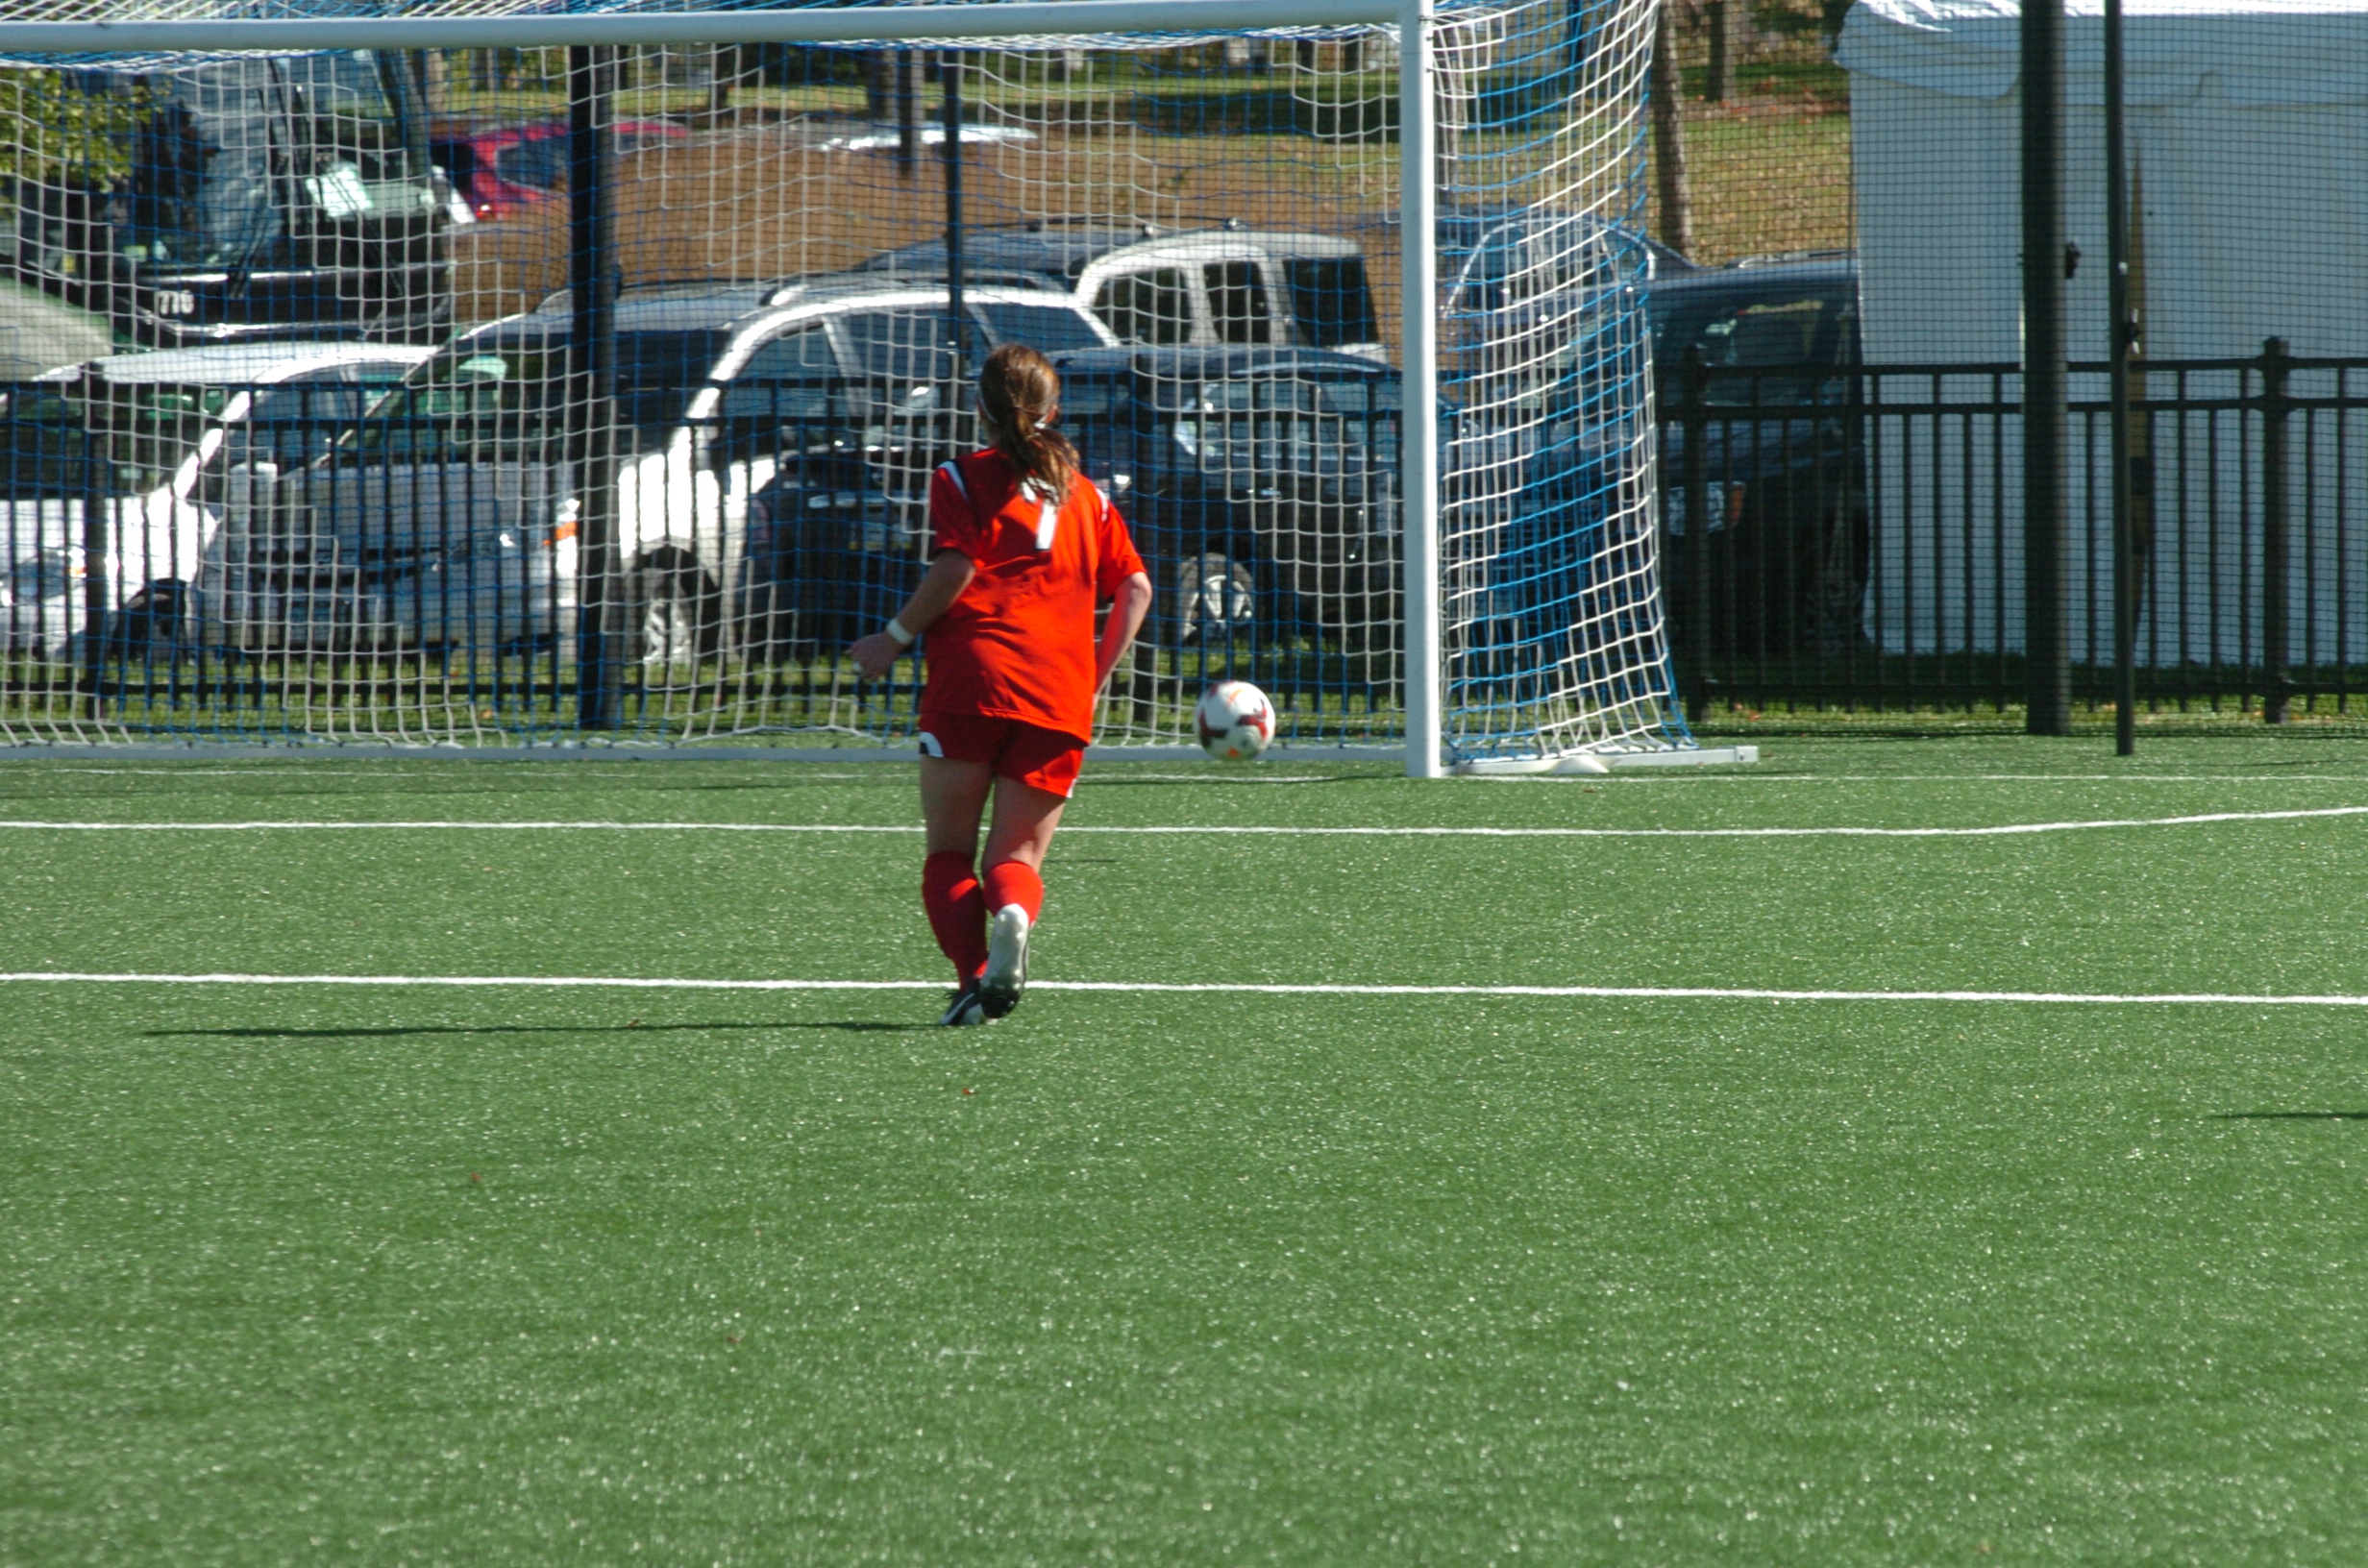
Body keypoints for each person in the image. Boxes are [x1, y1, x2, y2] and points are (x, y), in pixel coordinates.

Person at [850, 344, 1154, 1026]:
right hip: (1058, 694)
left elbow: (956, 567)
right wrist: (1093, 679)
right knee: (1015, 860)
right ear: (1054, 410)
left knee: (949, 854)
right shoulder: (1091, 498)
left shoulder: (959, 477)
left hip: (973, 682)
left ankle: (972, 981)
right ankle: (1013, 912)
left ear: (979, 407)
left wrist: (892, 637)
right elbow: (1136, 589)